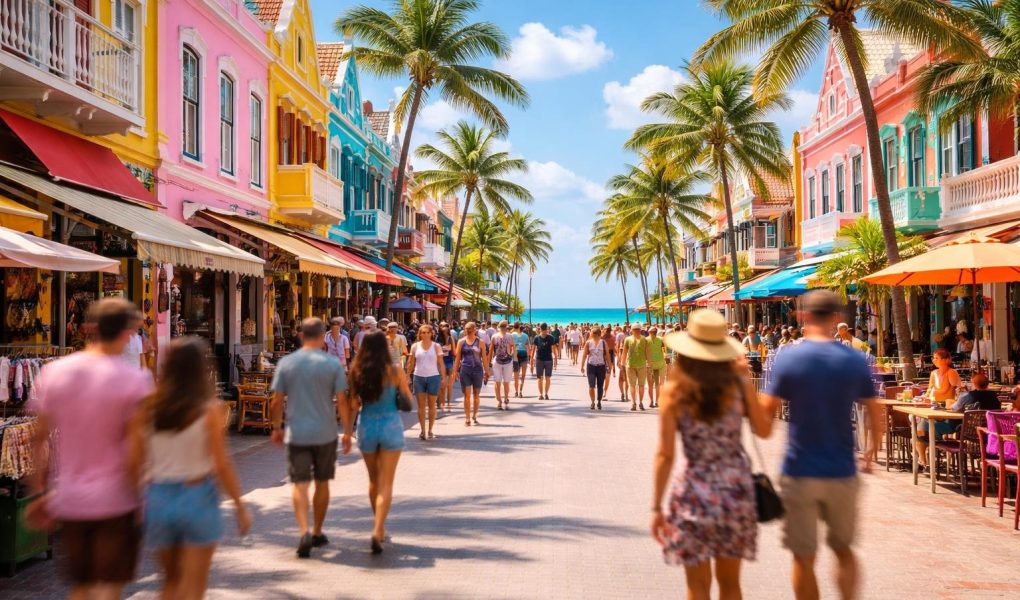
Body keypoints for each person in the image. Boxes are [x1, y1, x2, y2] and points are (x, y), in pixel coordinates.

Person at [27, 299, 154, 599]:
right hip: (116, 500)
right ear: (127, 334)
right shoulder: (135, 381)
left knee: (82, 586)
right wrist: (139, 497)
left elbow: (39, 437)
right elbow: (137, 449)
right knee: (108, 586)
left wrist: (39, 491)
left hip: (70, 499)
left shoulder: (55, 372)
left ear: (87, 329)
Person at [760, 291, 881, 600]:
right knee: (844, 549)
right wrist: (870, 453)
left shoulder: (789, 357)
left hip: (799, 470)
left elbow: (765, 419)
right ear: (837, 318)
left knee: (803, 556)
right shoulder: (855, 359)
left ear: (804, 316)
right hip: (842, 470)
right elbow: (874, 411)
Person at [651, 310, 774, 600]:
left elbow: (665, 454)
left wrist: (656, 507)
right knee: (731, 584)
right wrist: (747, 382)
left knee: (696, 586)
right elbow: (764, 430)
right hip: (735, 489)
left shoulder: (674, 391)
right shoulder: (738, 386)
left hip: (693, 490)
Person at [127, 337, 251, 599]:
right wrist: (239, 506)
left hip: (158, 497)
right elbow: (222, 463)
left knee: (170, 583)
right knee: (194, 586)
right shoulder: (210, 410)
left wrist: (137, 503)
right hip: (197, 496)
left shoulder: (146, 409)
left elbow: (135, 462)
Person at [270, 317, 350, 558]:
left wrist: (276, 427)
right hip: (325, 432)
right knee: (322, 482)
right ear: (323, 337)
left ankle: (303, 529)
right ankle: (316, 531)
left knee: (300, 483)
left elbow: (276, 400)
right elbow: (343, 400)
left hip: (297, 432)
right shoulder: (332, 365)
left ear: (301, 335)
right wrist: (347, 430)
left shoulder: (287, 363)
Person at [347, 331, 411, 554]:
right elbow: (407, 400)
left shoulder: (357, 371)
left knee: (373, 481)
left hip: (367, 426)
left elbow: (354, 404)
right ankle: (377, 529)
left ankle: (379, 527)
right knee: (387, 483)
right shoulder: (395, 371)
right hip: (391, 425)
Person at [916, 348, 963, 468]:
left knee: (921, 427)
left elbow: (958, 389)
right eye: (933, 358)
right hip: (933, 408)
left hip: (947, 411)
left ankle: (928, 450)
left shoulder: (951, 372)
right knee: (917, 424)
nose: (934, 360)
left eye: (936, 358)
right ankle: (924, 458)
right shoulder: (933, 373)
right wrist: (924, 397)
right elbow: (929, 390)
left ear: (946, 360)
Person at [406, 324, 446, 440]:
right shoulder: (415, 346)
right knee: (421, 406)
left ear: (431, 334)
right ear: (420, 334)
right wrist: (408, 376)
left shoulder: (436, 346)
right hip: (419, 377)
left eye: (428, 332)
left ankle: (430, 430)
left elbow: (441, 364)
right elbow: (410, 362)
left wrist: (443, 378)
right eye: (423, 332)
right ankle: (422, 430)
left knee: (432, 405)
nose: (426, 334)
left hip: (433, 377)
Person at [453, 322, 489, 425]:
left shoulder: (480, 342)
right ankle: (467, 417)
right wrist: (455, 371)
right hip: (465, 370)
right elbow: (457, 358)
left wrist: (487, 371)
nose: (468, 331)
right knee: (467, 395)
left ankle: (475, 415)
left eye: (470, 329)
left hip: (478, 370)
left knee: (476, 395)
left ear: (474, 330)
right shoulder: (461, 342)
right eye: (466, 329)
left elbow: (484, 359)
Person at [622, 323, 650, 411]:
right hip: (641, 365)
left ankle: (634, 403)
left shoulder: (628, 339)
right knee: (641, 385)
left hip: (630, 365)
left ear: (632, 330)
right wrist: (649, 363)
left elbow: (624, 352)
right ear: (640, 330)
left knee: (632, 385)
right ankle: (640, 402)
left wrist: (622, 363)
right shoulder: (644, 340)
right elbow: (648, 353)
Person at [580, 327, 609, 410]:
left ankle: (599, 401)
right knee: (591, 386)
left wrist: (610, 367)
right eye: (592, 334)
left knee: (600, 386)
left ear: (599, 335)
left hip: (601, 366)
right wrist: (582, 366)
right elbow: (584, 355)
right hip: (591, 366)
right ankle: (592, 401)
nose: (592, 335)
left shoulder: (603, 343)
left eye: (593, 334)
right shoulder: (588, 343)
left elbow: (607, 355)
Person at [490, 321, 516, 410]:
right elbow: (491, 350)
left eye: (504, 327)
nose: (504, 329)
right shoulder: (495, 336)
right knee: (500, 382)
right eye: (503, 327)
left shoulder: (509, 336)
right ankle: (500, 400)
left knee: (504, 382)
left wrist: (513, 357)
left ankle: (503, 399)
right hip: (499, 361)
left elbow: (513, 347)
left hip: (505, 361)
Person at [532, 323, 557, 400]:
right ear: (540, 329)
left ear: (547, 329)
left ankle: (546, 393)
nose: (544, 332)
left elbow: (553, 349)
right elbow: (533, 349)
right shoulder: (536, 338)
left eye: (545, 330)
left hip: (548, 360)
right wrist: (531, 358)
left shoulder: (551, 338)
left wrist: (555, 358)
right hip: (539, 359)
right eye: (543, 330)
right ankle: (540, 394)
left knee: (548, 378)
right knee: (540, 378)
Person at [647, 327, 667, 409]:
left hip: (656, 364)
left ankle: (655, 401)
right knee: (653, 384)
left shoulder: (659, 339)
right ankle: (653, 401)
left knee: (654, 384)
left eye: (653, 332)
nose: (653, 333)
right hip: (652, 364)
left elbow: (665, 349)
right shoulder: (646, 340)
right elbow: (665, 349)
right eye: (653, 332)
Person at [511, 323, 531, 398]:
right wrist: (529, 358)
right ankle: (520, 392)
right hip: (524, 354)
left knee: (516, 375)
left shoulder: (512, 335)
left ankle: (516, 392)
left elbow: (510, 346)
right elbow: (528, 347)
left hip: (515, 354)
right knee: (523, 375)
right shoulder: (525, 335)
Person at [616, 326, 629, 403]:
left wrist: (618, 361)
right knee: (626, 379)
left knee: (621, 379)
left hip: (624, 362)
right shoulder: (628, 338)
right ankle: (625, 393)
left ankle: (623, 393)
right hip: (628, 362)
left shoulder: (623, 344)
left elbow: (620, 353)